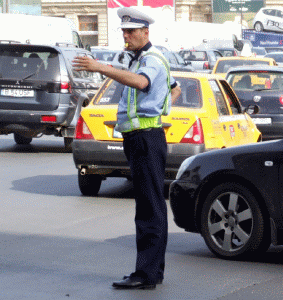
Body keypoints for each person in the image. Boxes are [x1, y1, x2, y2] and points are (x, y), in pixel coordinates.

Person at [73, 7, 181, 290]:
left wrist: (101, 68)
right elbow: (174, 88)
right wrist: (159, 105)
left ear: (146, 32)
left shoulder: (150, 60)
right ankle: (151, 271)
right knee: (151, 205)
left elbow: (142, 82)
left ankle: (145, 274)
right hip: (144, 136)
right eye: (124, 31)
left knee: (149, 207)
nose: (126, 35)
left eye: (131, 31)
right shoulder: (143, 59)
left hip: (146, 138)